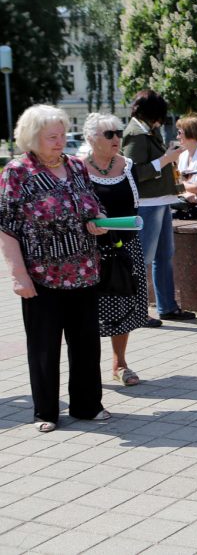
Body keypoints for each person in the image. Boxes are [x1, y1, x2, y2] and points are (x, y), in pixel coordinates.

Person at [0, 105, 111, 432]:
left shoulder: (77, 166)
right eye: (52, 136)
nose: (60, 141)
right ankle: (46, 411)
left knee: (87, 343)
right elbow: (6, 227)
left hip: (84, 269)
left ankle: (87, 405)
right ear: (33, 137)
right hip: (41, 275)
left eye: (63, 134)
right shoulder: (18, 171)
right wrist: (18, 275)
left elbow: (93, 205)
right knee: (44, 345)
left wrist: (100, 222)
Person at [84, 113, 176, 387]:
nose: (116, 138)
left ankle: (119, 363)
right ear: (91, 139)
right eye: (109, 134)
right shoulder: (77, 169)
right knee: (87, 311)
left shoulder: (127, 166)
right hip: (88, 250)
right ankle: (86, 367)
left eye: (118, 133)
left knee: (122, 303)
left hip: (125, 246)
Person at [121, 89, 195, 326]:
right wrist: (166, 159)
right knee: (144, 259)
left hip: (160, 200)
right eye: (160, 115)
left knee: (164, 256)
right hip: (147, 203)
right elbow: (134, 172)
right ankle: (138, 311)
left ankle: (167, 307)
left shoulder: (146, 130)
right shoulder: (135, 134)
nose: (161, 121)